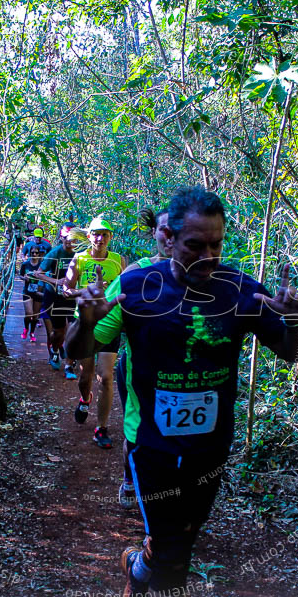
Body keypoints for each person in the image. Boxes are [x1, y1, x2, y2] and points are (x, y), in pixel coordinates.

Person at [65, 186, 298, 597]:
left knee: (182, 538)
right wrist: (85, 321)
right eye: (196, 245)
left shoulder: (239, 290)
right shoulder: (136, 287)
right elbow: (75, 350)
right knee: (175, 552)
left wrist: (296, 320)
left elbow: (294, 356)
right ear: (168, 240)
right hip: (152, 443)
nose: (208, 255)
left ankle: (138, 568)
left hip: (210, 447)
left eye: (216, 244)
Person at [117, 207, 171, 508]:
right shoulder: (136, 271)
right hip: (138, 366)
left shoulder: (199, 274)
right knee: (137, 430)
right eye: (164, 228)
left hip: (179, 370)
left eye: (176, 229)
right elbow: (114, 315)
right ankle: (129, 477)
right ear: (154, 232)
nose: (169, 235)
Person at [62, 217, 126, 449]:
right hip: (85, 326)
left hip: (110, 323)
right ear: (89, 236)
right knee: (86, 375)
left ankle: (101, 428)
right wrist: (86, 292)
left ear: (110, 238)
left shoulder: (119, 261)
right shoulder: (79, 259)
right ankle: (85, 399)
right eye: (96, 234)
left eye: (105, 234)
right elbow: (66, 290)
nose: (100, 238)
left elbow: (127, 289)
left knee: (106, 377)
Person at [34, 223, 79, 378]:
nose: (69, 241)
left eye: (72, 238)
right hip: (54, 296)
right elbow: (38, 273)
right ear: (61, 237)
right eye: (66, 237)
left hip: (72, 296)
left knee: (74, 329)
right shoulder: (55, 253)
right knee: (58, 331)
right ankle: (54, 349)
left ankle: (69, 365)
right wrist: (55, 281)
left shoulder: (80, 254)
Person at [18, 247, 46, 342]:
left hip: (38, 291)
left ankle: (32, 333)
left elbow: (46, 275)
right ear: (30, 253)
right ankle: (26, 329)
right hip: (27, 291)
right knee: (28, 313)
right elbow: (20, 275)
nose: (34, 254)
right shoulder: (25, 264)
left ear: (39, 254)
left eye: (36, 253)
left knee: (35, 315)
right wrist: (24, 278)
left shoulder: (42, 265)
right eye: (32, 253)